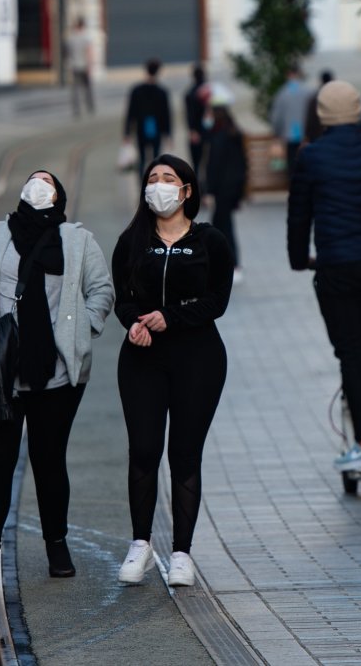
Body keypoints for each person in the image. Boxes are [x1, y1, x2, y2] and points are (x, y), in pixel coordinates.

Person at [0, 171, 114, 584]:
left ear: (58, 195)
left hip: (58, 373)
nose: (39, 184)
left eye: (47, 181)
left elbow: (102, 290)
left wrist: (85, 328)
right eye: (33, 179)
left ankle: (56, 545)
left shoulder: (78, 240)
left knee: (49, 462)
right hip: (0, 369)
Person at [112, 155, 233, 588]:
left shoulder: (211, 240)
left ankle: (182, 552)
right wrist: (134, 325)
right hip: (142, 360)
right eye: (152, 179)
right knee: (144, 450)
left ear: (186, 191)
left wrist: (170, 318)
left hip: (197, 358)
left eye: (168, 179)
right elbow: (121, 299)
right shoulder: (132, 241)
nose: (158, 186)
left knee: (184, 455)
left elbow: (218, 299)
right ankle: (140, 544)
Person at [287, 81, 361, 476]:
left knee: (350, 352)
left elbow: (299, 213)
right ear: (358, 112)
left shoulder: (312, 157)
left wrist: (299, 259)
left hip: (336, 266)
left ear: (322, 114)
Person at [202, 88, 247, 280]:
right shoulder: (232, 131)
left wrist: (208, 190)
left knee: (222, 227)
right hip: (232, 189)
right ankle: (227, 265)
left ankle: (233, 265)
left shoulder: (220, 136)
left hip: (222, 190)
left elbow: (214, 165)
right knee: (223, 226)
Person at [123, 59, 171, 181]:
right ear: (158, 72)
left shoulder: (136, 90)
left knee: (142, 159)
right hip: (157, 128)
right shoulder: (162, 92)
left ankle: (142, 184)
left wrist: (127, 132)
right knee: (156, 159)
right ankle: (155, 184)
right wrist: (168, 134)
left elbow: (130, 112)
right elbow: (166, 114)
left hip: (141, 128)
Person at [267, 68, 311, 169]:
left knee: (292, 166)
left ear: (288, 75)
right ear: (298, 74)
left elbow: (276, 118)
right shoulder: (308, 91)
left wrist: (276, 132)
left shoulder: (282, 93)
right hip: (305, 136)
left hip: (290, 135)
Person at [66, 18, 96, 118]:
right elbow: (89, 52)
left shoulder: (71, 39)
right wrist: (90, 65)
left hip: (74, 66)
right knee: (87, 88)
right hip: (84, 65)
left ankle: (76, 109)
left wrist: (69, 65)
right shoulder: (85, 38)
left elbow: (68, 54)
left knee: (75, 89)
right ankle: (90, 106)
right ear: (82, 26)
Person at [301, 69, 337, 149]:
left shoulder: (314, 98)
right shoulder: (336, 98)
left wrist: (307, 136)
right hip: (333, 139)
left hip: (316, 138)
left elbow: (309, 120)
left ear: (321, 81)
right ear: (332, 80)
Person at [184, 65, 210, 172]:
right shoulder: (210, 91)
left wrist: (192, 130)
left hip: (196, 131)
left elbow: (189, 115)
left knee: (196, 164)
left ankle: (198, 186)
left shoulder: (190, 93)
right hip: (209, 130)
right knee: (208, 163)